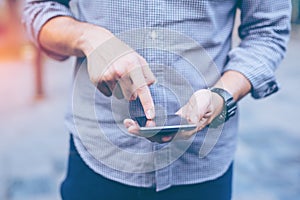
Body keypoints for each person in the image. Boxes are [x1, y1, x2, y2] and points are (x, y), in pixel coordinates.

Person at [23, 0, 291, 199]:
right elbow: (39, 9)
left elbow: (267, 30)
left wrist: (222, 96)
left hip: (203, 164)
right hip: (97, 151)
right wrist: (89, 38)